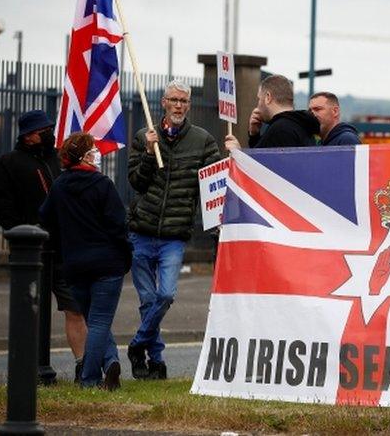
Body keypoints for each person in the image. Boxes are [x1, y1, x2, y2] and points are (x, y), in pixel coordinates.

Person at [127, 79, 221, 380]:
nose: (179, 105)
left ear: (189, 105)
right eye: (174, 100)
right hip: (142, 230)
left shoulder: (203, 140)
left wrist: (234, 155)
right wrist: (148, 153)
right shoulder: (144, 137)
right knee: (147, 301)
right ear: (163, 103)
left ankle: (137, 345)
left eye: (184, 100)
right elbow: (136, 183)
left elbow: (216, 180)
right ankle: (154, 361)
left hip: (174, 235)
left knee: (165, 295)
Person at [0, 109, 87, 382]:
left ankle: (83, 365)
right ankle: (31, 367)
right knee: (30, 312)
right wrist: (26, 235)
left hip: (64, 250)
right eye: (43, 130)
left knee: (75, 308)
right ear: (29, 135)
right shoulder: (8, 163)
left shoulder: (57, 160)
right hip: (30, 253)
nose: (49, 134)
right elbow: (2, 209)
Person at [39, 132, 131, 390]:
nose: (97, 153)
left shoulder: (59, 186)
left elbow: (45, 218)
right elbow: (118, 225)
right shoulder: (102, 185)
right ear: (84, 156)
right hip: (107, 263)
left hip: (75, 264)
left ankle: (111, 360)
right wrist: (126, 256)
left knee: (93, 319)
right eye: (92, 150)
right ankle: (90, 379)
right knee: (100, 321)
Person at [225, 74, 319, 150]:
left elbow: (262, 169)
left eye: (259, 99)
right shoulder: (301, 124)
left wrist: (237, 152)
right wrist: (254, 136)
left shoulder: (280, 129)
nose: (258, 105)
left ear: (268, 97)